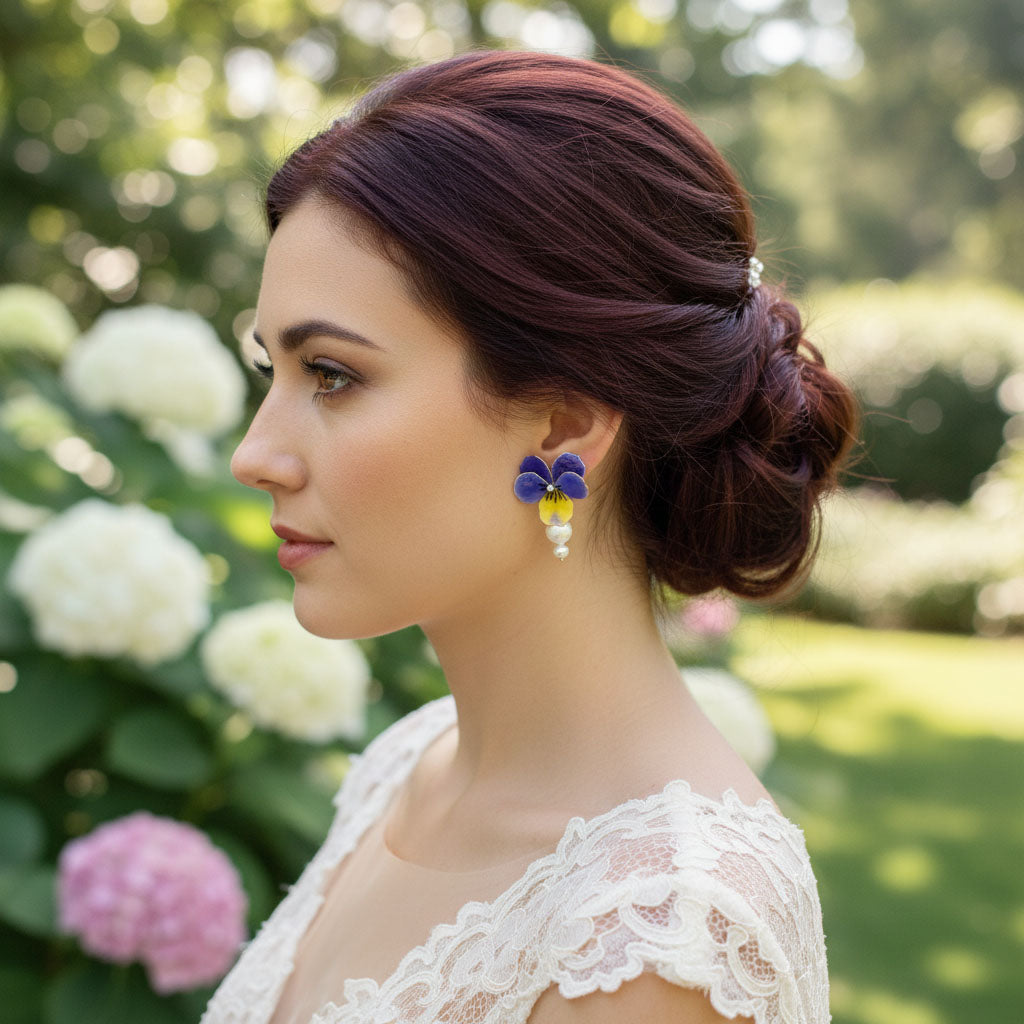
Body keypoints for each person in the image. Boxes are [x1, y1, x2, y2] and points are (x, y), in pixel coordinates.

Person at [202, 48, 858, 1024]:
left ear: (562, 425)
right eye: (274, 372)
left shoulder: (654, 941)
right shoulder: (411, 763)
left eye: (332, 375)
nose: (255, 455)